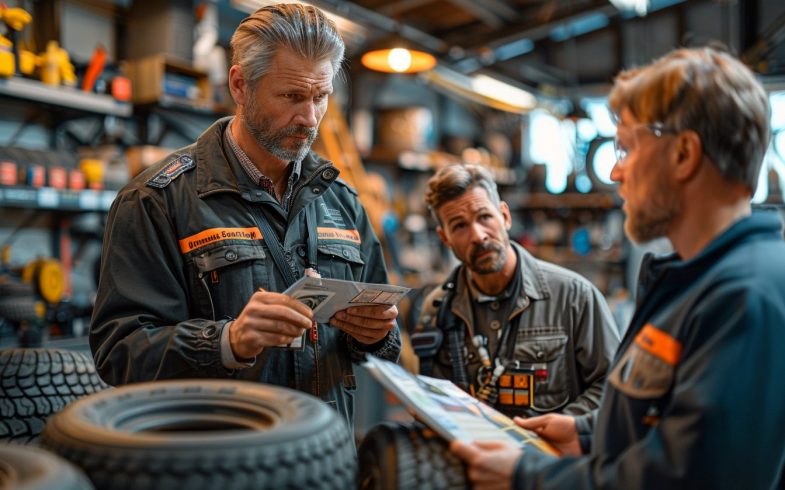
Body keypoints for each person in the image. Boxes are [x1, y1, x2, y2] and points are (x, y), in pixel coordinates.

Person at [450, 47, 785, 490]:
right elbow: (670, 420)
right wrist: (587, 434)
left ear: (684, 154)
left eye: (626, 148)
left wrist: (528, 477)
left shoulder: (747, 295)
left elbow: (691, 478)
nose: (613, 171)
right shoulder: (691, 280)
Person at [90, 3, 401, 427]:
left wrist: (378, 335)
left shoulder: (342, 201)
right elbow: (119, 352)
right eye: (291, 96)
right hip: (224, 461)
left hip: (324, 458)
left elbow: (380, 340)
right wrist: (228, 341)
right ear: (240, 85)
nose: (309, 119)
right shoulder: (156, 200)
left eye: (320, 96)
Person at [412, 163, 620, 418]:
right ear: (445, 239)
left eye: (484, 217)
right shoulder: (436, 309)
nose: (478, 235)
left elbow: (613, 386)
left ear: (505, 216)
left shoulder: (575, 297)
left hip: (550, 455)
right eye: (459, 226)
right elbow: (436, 402)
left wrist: (565, 427)